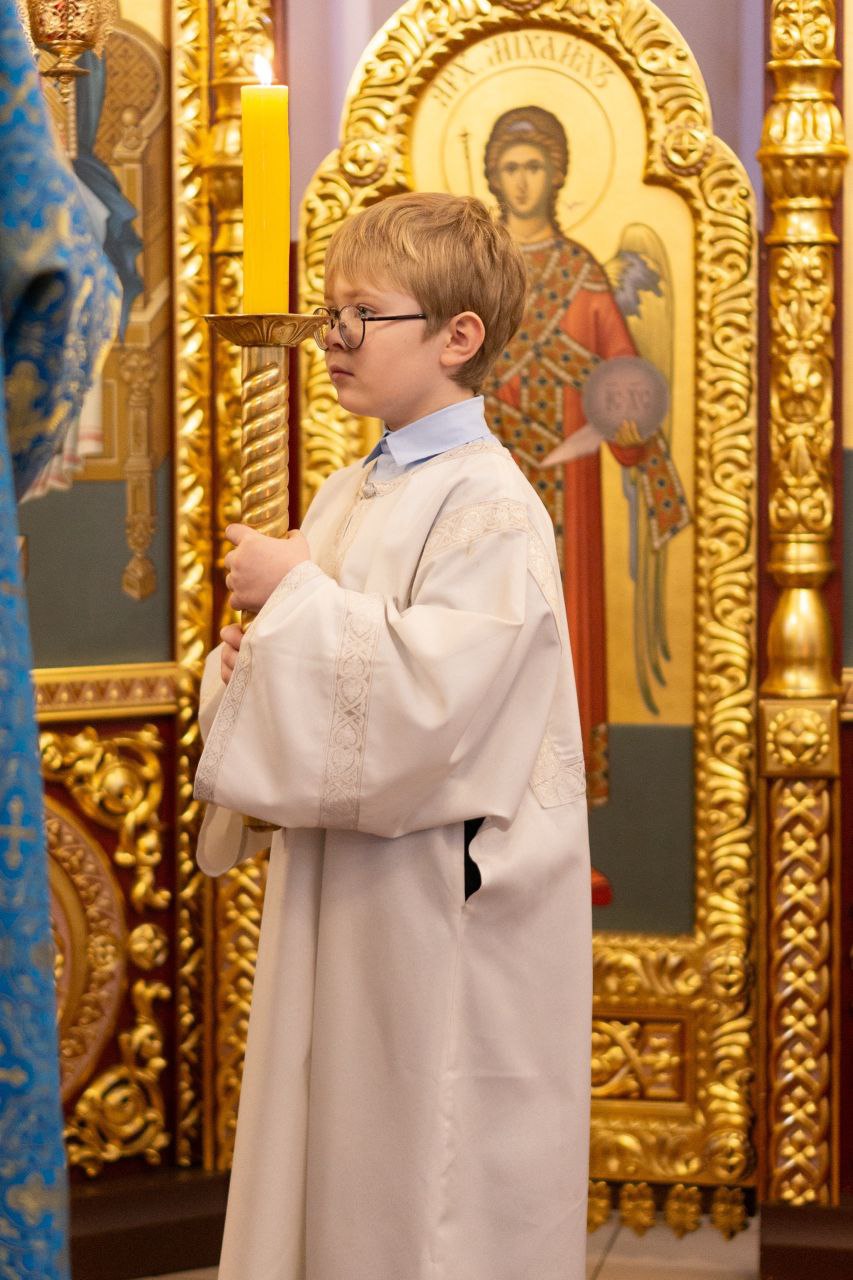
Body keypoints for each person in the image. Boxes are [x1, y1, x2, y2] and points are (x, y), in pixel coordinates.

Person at [194, 192, 592, 1280]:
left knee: (420, 1190)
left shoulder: (489, 506)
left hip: (428, 907)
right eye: (329, 310)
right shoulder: (348, 492)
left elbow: (440, 707)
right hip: (348, 896)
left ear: (457, 336)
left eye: (361, 313)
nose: (331, 336)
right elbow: (314, 684)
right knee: (336, 1162)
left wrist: (296, 600)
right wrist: (248, 663)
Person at [484, 106, 682, 810]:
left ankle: (564, 810)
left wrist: (628, 428)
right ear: (493, 175)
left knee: (562, 623)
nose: (522, 181)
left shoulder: (581, 273)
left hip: (568, 482)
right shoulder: (477, 275)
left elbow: (624, 380)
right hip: (483, 482)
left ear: (557, 173)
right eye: (510, 167)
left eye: (534, 166)